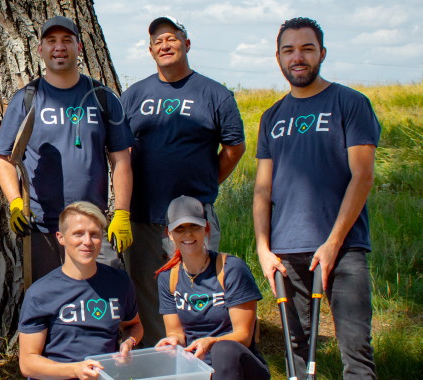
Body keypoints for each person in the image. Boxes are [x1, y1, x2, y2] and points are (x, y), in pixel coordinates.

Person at [253, 17, 379, 379]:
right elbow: (263, 190)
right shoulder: (272, 117)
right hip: (286, 253)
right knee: (296, 353)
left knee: (355, 350)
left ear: (322, 53)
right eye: (289, 50)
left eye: (307, 48)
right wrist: (263, 248)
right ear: (278, 57)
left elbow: (363, 175)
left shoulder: (350, 103)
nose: (298, 57)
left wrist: (333, 242)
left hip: (343, 248)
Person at [120, 16, 246, 344]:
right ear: (150, 51)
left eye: (171, 39)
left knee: (199, 291)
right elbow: (121, 149)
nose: (165, 45)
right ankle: (158, 362)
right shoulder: (134, 95)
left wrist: (207, 184)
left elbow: (234, 147)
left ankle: (203, 357)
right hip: (144, 215)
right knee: (147, 292)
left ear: (186, 44)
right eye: (158, 42)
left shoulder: (215, 94)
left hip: (193, 218)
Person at [0, 15, 134, 282]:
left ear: (79, 48)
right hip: (43, 226)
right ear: (40, 50)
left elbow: (122, 160)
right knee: (48, 305)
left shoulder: (102, 97)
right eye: (51, 41)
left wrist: (123, 214)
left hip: (92, 226)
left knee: (103, 307)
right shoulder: (27, 98)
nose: (59, 47)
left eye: (66, 40)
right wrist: (14, 203)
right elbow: (4, 159)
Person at [18, 201, 142, 380]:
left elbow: (134, 325)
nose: (87, 242)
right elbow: (28, 363)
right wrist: (75, 370)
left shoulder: (119, 282)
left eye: (95, 235)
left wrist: (129, 343)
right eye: (78, 234)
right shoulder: (41, 293)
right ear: (61, 237)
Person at [155, 196, 267, 380]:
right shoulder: (168, 277)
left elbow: (244, 335)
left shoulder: (231, 268)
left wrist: (211, 342)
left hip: (239, 366)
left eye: (194, 226)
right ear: (169, 233)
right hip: (196, 367)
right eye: (180, 229)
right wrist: (172, 341)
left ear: (206, 229)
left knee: (223, 350)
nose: (188, 234)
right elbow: (176, 332)